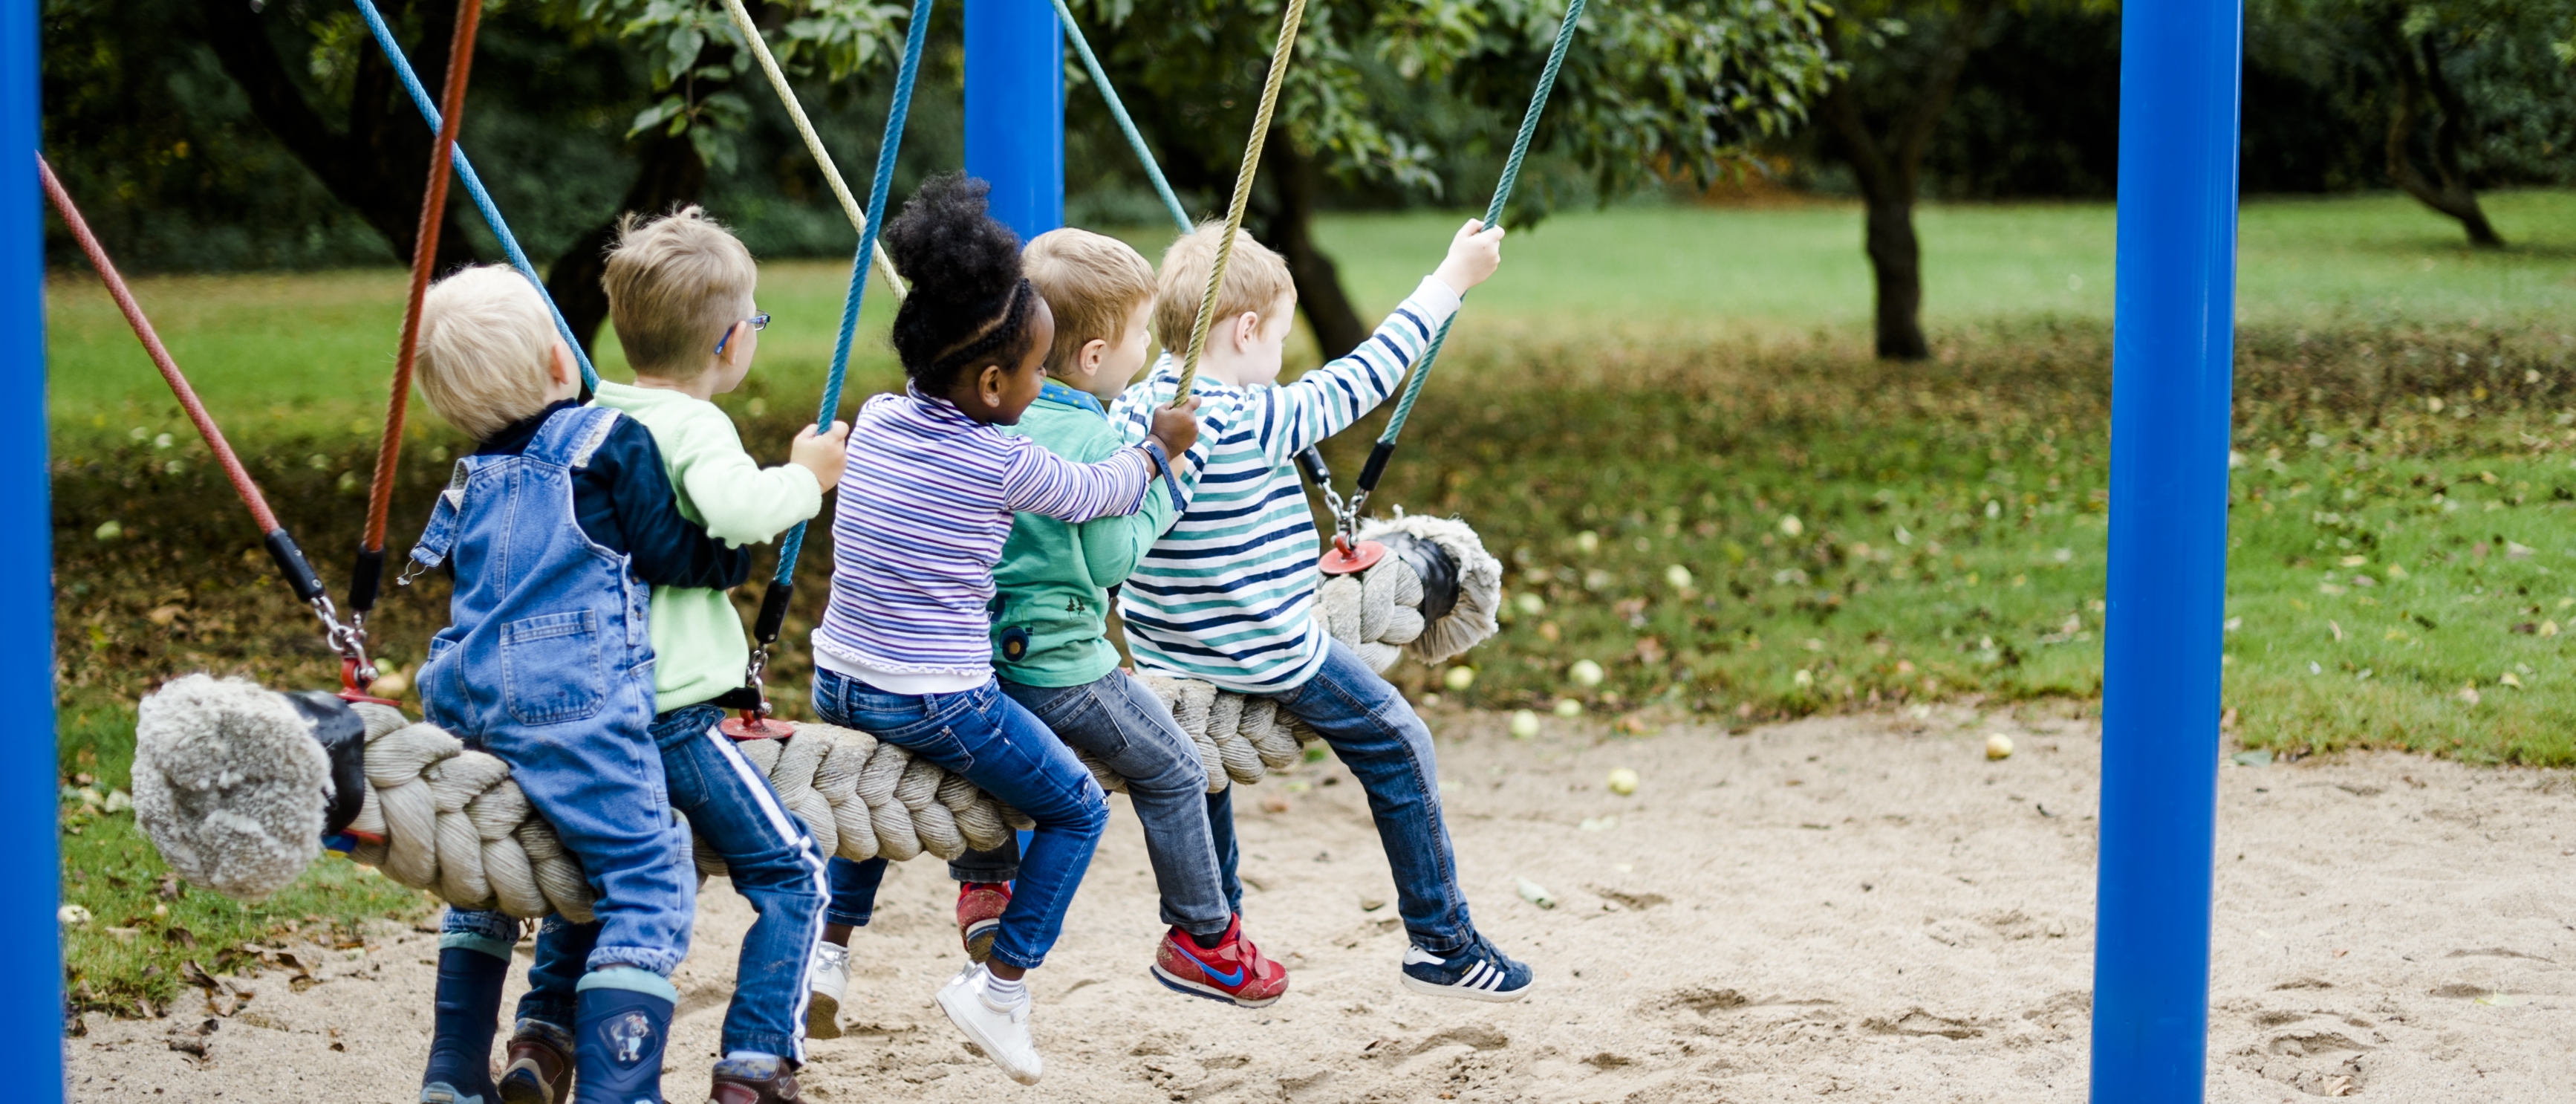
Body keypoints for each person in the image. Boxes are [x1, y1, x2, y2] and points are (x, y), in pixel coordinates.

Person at [805, 227, 1284, 1025]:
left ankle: (955, 896)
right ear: (1087, 357)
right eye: (1141, 334)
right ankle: (1203, 935)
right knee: (1171, 769)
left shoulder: (906, 414)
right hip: (1050, 668)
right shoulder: (1061, 438)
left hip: (908, 665)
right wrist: (1167, 467)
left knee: (897, 777)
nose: (1150, 349)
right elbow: (1108, 551)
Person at [1110, 217, 1538, 1003]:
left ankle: (1215, 931)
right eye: (1278, 339)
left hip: (1166, 652)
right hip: (1264, 649)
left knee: (1204, 771)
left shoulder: (1131, 412)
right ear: (1245, 330)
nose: (1279, 362)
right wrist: (1452, 277)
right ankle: (1441, 943)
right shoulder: (1251, 417)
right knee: (1398, 742)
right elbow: (1368, 373)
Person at [488, 207, 852, 1104]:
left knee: (608, 866)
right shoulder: (695, 428)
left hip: (588, 709)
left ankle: (543, 1037)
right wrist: (808, 476)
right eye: (756, 320)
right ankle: (754, 1062)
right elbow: (738, 511)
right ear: (731, 341)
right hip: (674, 716)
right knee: (795, 873)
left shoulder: (592, 413)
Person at [406, 264, 742, 1104]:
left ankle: (454, 1072)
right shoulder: (607, 441)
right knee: (648, 874)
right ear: (564, 361)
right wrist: (731, 557)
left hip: (466, 690)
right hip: (567, 693)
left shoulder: (473, 473)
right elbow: (670, 553)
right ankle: (617, 1089)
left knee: (486, 868)